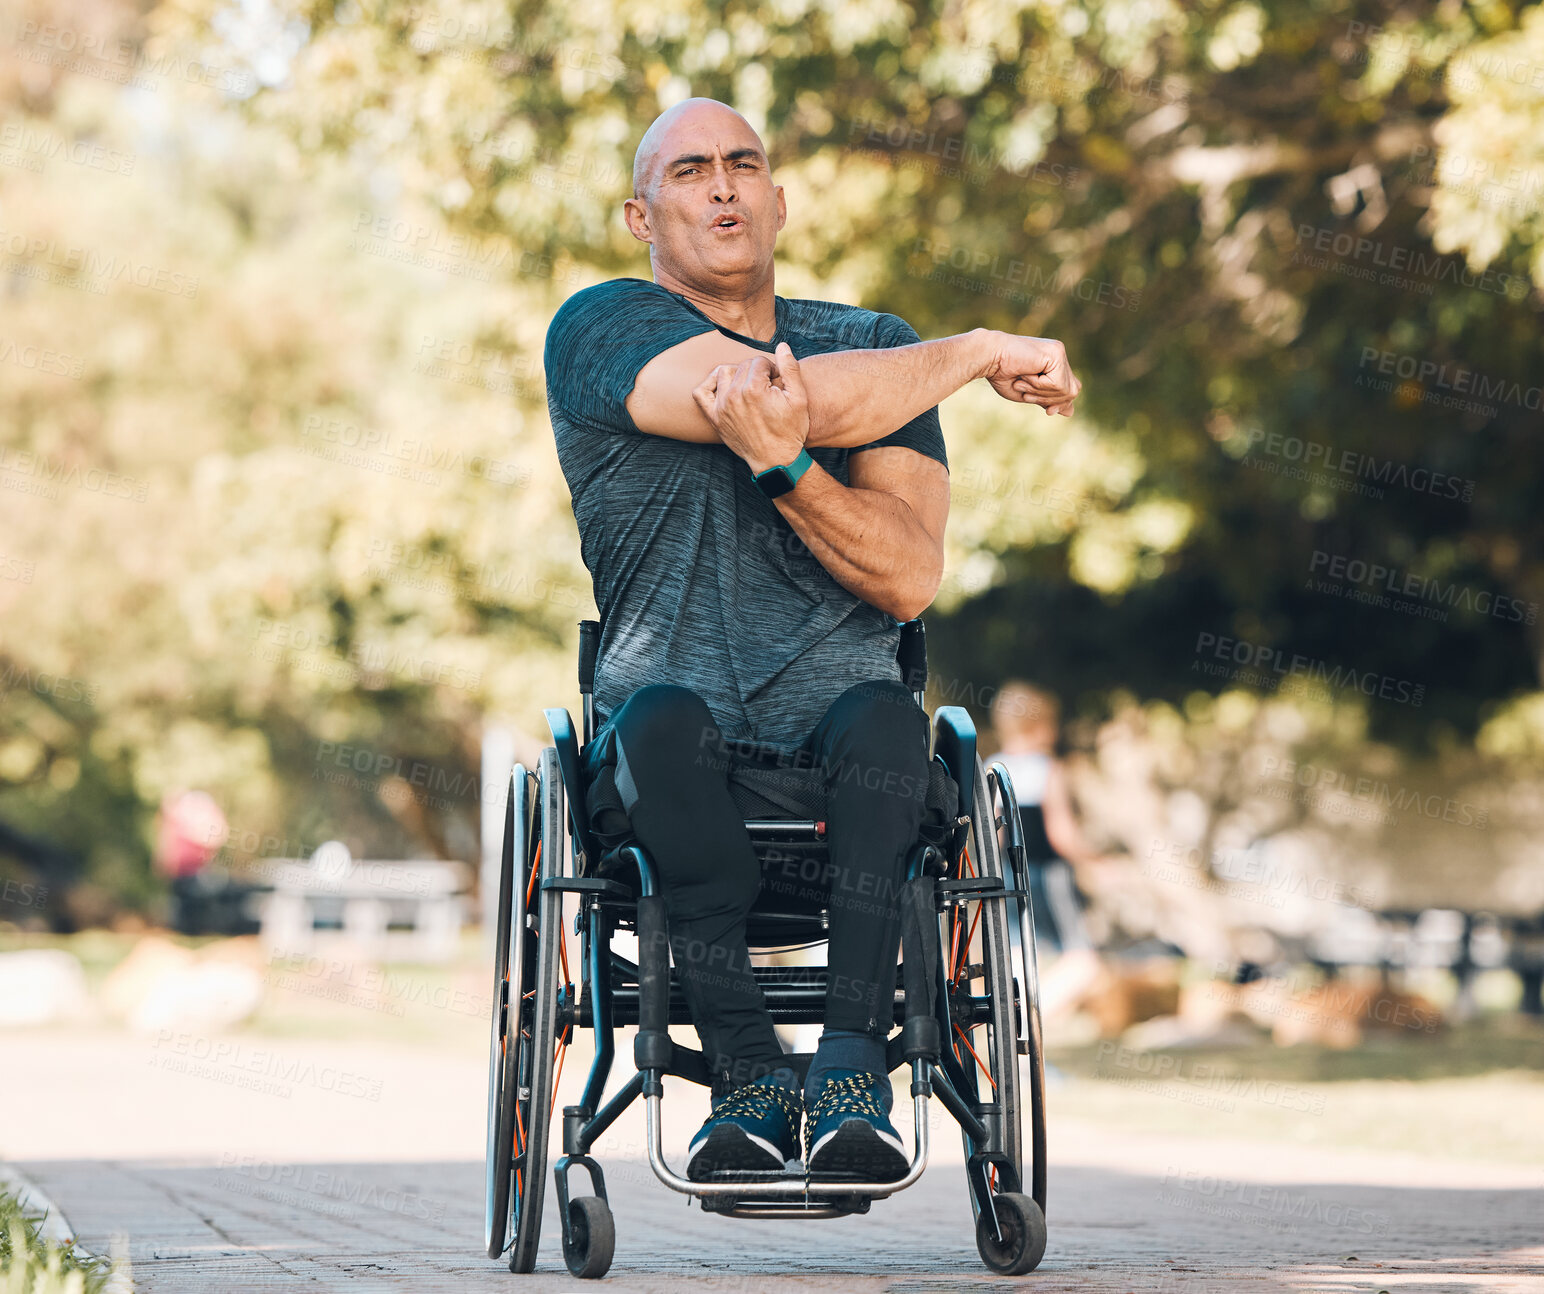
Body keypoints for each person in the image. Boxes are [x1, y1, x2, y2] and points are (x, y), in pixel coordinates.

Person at [542, 97, 1082, 1182]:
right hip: (668, 741)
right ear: (640, 217)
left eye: (744, 164)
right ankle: (743, 1076)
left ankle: (847, 1076)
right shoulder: (600, 328)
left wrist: (786, 471)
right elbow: (753, 394)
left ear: (779, 200)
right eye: (690, 171)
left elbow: (906, 573)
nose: (724, 186)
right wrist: (975, 350)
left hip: (844, 744)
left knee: (889, 719)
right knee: (656, 721)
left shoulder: (875, 345)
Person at [989, 681, 1111, 1023]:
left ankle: (1014, 1028)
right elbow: (1062, 836)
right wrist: (1100, 863)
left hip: (1009, 877)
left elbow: (993, 837)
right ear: (1040, 725)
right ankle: (1029, 1022)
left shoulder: (993, 766)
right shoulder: (1049, 769)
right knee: (1083, 963)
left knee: (1020, 959)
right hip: (1049, 877)